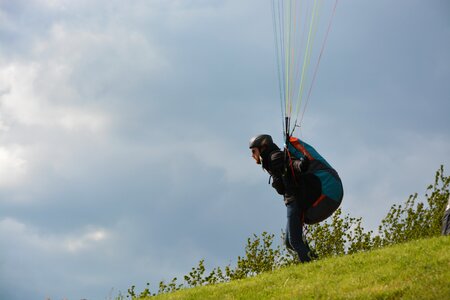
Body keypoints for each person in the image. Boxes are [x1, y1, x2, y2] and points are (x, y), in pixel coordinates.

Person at [249, 134, 343, 263]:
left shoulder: (275, 157)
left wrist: (301, 165)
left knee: (295, 241)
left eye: (253, 151)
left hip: (295, 201)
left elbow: (291, 164)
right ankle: (315, 260)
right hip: (292, 200)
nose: (252, 155)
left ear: (263, 148)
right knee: (289, 242)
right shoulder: (269, 160)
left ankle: (311, 267)